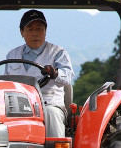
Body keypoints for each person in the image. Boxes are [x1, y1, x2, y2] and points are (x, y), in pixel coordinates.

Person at [4, 9, 74, 138]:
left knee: (50, 114)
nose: (35, 33)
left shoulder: (57, 53)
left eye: (39, 29)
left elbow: (68, 77)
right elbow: (6, 84)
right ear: (22, 32)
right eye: (30, 29)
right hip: (18, 106)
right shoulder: (12, 55)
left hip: (49, 103)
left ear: (45, 32)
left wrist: (55, 73)